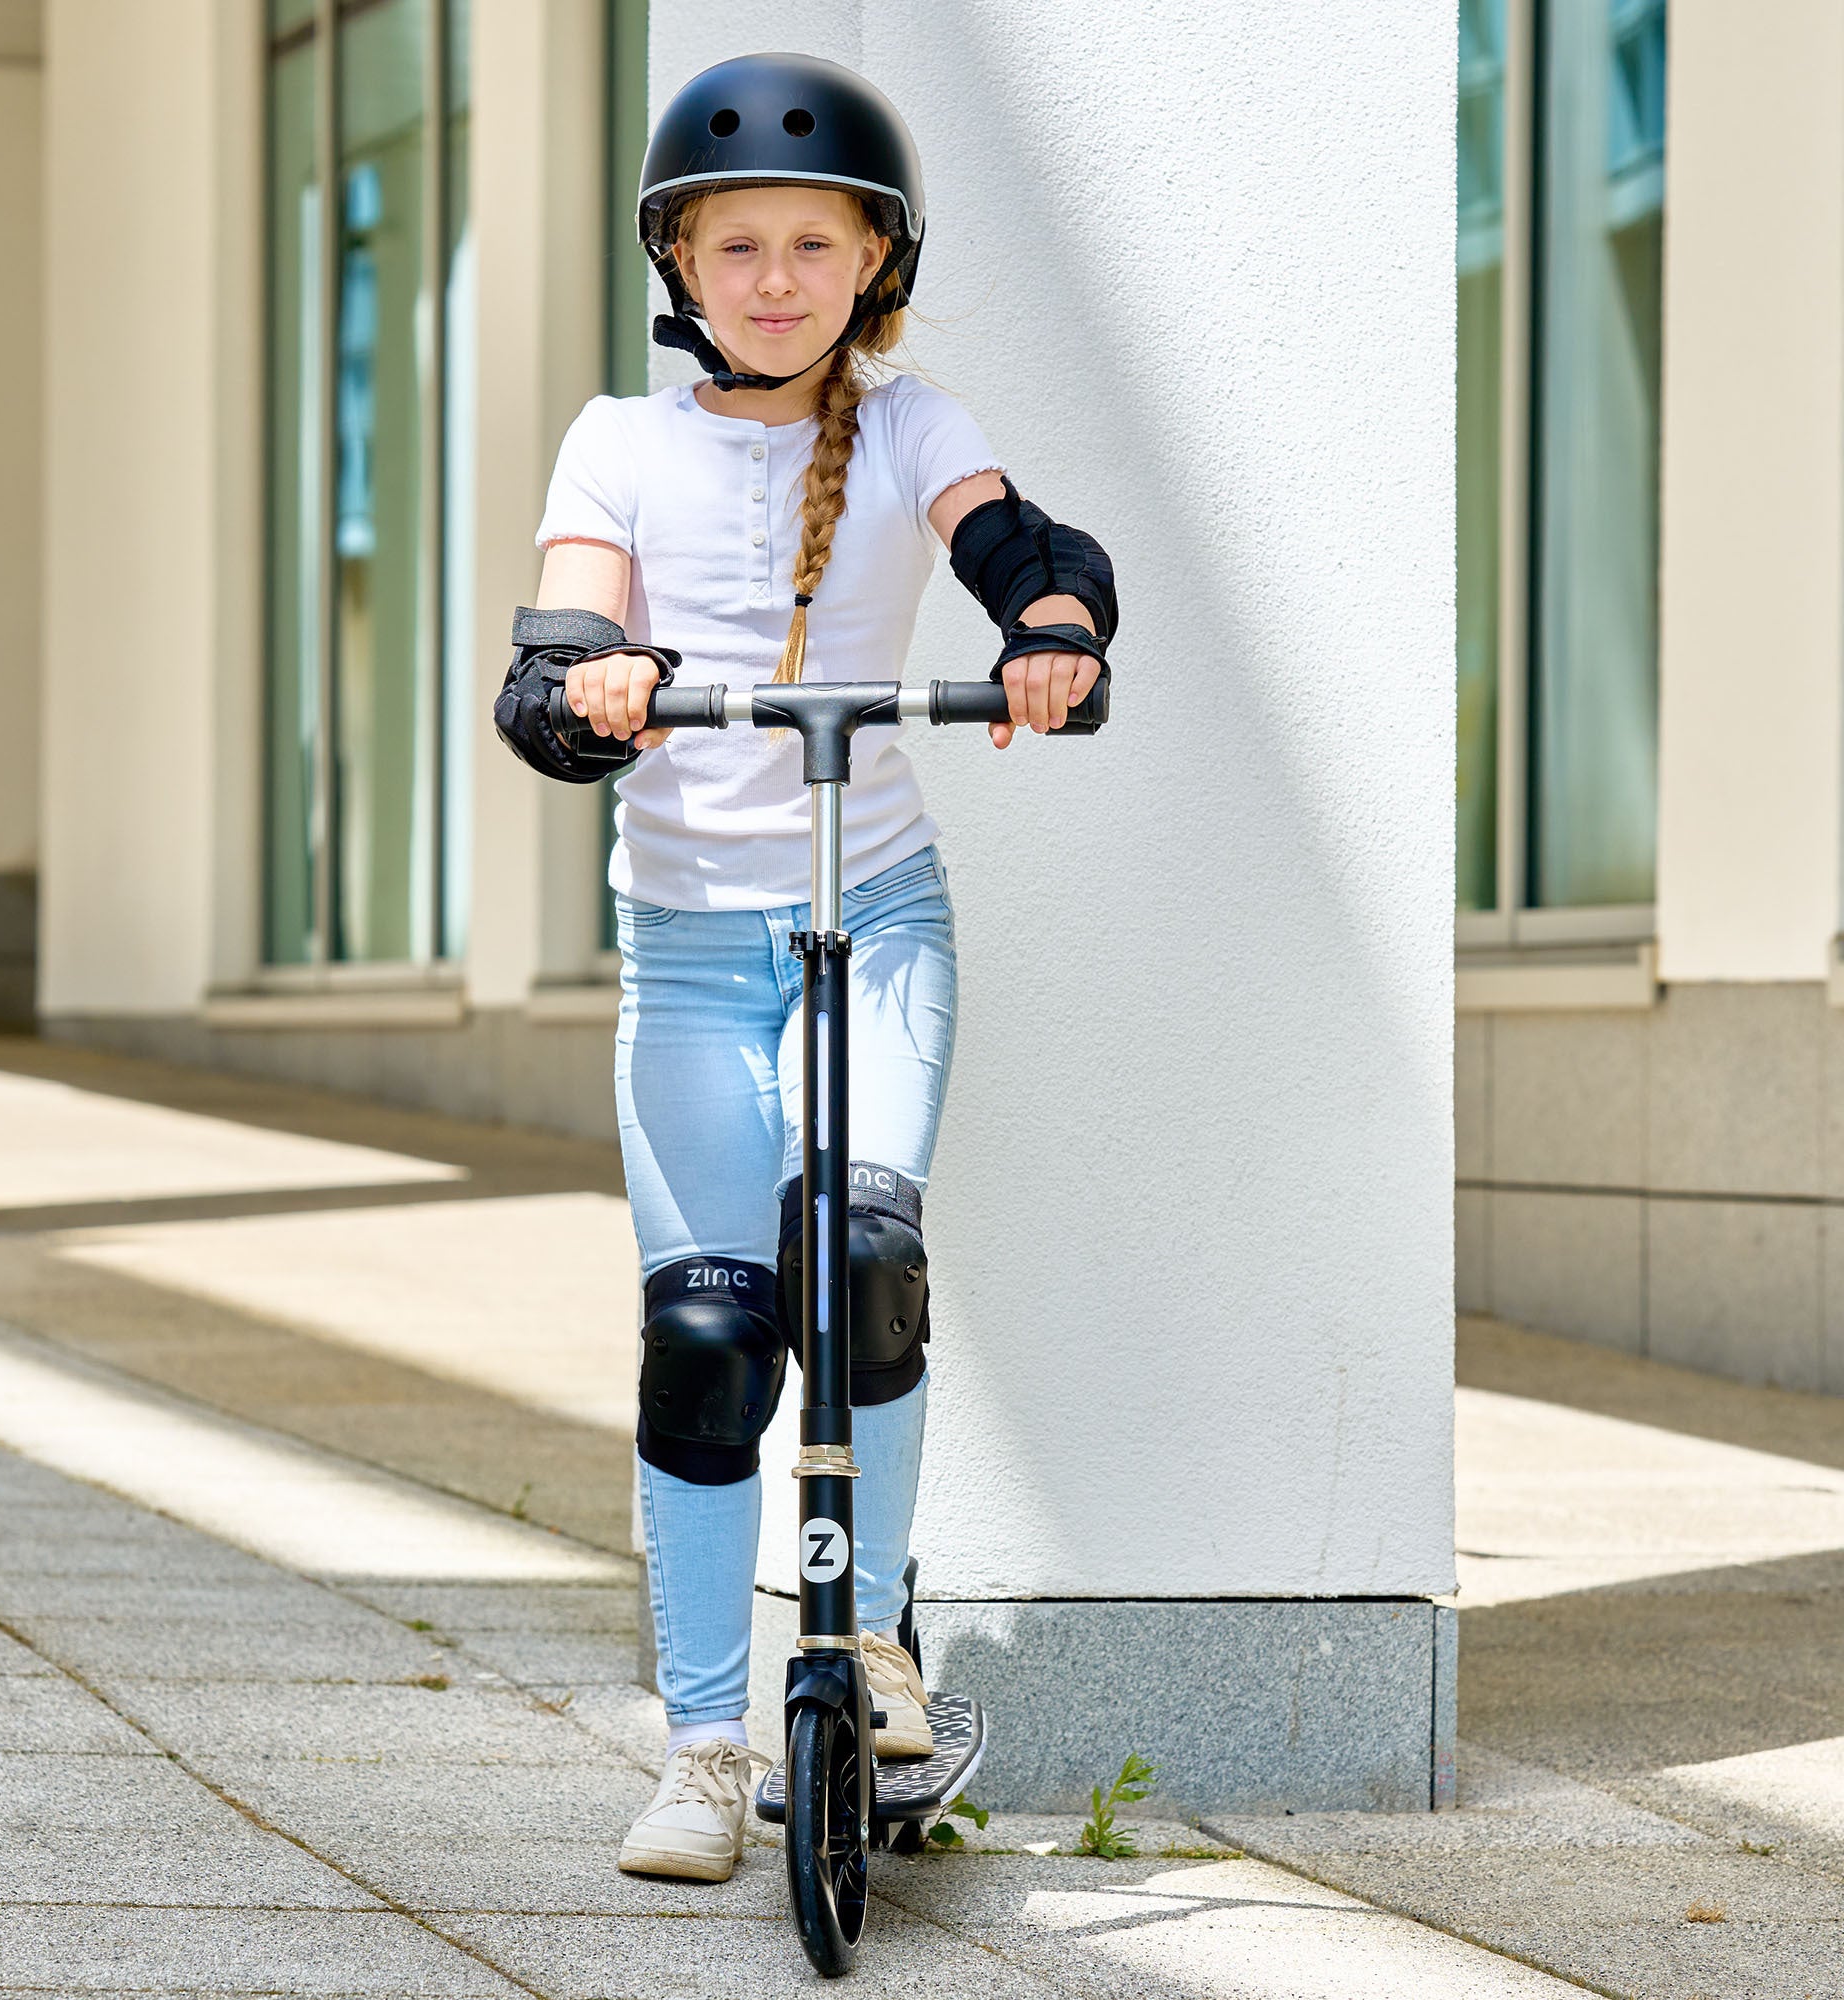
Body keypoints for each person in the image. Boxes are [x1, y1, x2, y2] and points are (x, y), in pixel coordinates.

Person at [495, 52, 1116, 1883]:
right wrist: (593, 685)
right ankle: (703, 1748)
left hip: (877, 917)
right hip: (691, 953)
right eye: (739, 246)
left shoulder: (914, 428)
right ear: (681, 263)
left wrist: (1052, 632)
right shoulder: (618, 441)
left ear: (875, 264)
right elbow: (550, 662)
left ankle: (873, 1649)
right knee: (709, 1334)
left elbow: (1023, 550)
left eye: (814, 246)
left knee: (864, 1260)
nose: (776, 280)